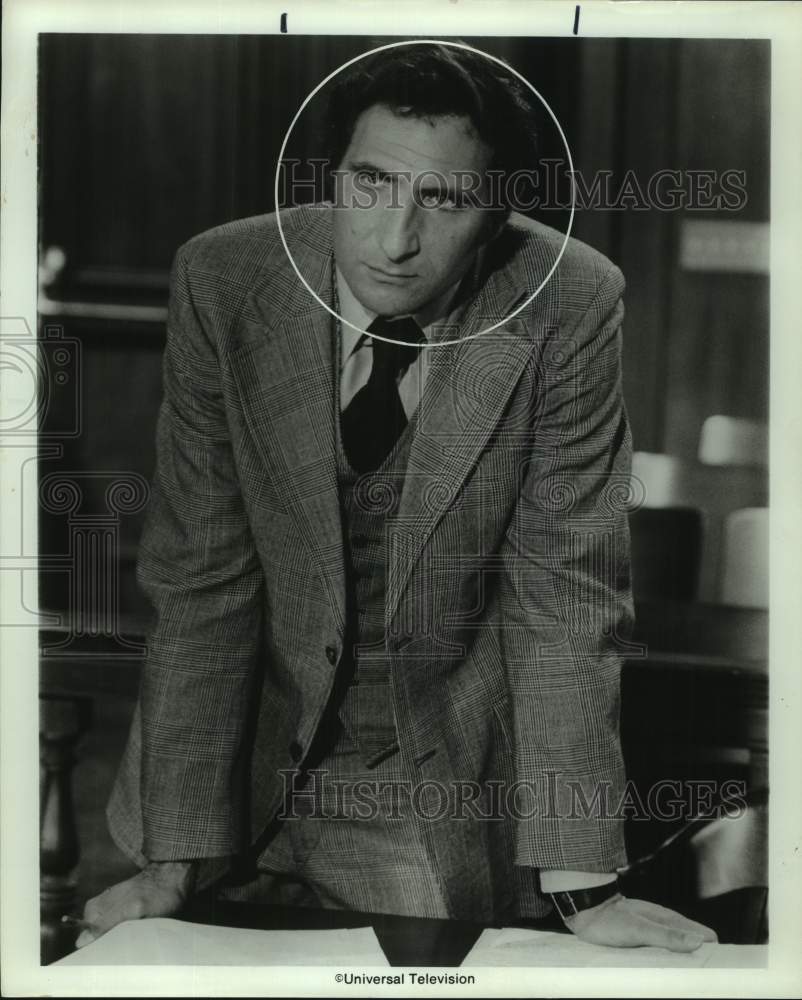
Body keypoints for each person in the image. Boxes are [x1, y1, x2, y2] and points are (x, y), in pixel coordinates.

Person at [79, 42, 715, 953]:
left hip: (435, 795)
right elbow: (201, 580)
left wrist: (583, 884)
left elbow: (564, 602)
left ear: (497, 210)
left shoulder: (569, 299)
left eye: (445, 198)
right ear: (331, 176)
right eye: (370, 184)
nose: (394, 237)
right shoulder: (226, 279)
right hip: (236, 777)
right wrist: (174, 854)